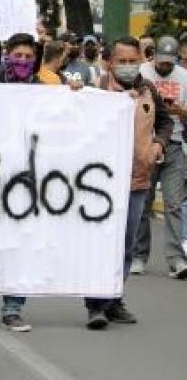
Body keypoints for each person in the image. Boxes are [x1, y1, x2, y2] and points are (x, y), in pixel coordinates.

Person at [0, 33, 81, 331]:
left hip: (30, 177)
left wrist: (74, 92)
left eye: (29, 57)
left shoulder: (46, 88)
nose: (23, 61)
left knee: (23, 240)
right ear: (7, 56)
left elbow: (62, 119)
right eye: (18, 56)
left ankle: (13, 307)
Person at [84, 36, 173, 329]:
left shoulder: (147, 90)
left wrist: (159, 143)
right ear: (108, 63)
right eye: (121, 61)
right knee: (100, 244)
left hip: (137, 182)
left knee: (126, 246)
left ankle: (114, 299)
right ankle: (95, 304)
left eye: (132, 61)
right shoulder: (93, 92)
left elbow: (165, 121)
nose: (126, 66)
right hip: (100, 185)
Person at [132, 36, 187, 278]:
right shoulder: (141, 73)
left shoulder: (184, 77)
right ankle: (138, 256)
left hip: (174, 144)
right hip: (146, 144)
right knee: (144, 202)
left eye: (169, 63)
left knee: (174, 204)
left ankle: (176, 259)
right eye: (161, 62)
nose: (164, 67)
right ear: (153, 56)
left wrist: (181, 112)